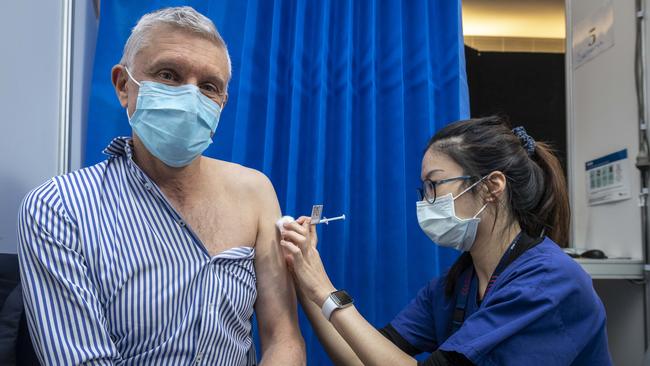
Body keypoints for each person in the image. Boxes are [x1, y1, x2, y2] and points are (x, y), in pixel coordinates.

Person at [17, 6, 305, 365]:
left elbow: (283, 339)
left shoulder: (255, 192)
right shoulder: (59, 208)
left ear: (221, 103)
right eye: (168, 75)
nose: (190, 98)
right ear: (124, 86)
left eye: (208, 87)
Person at [280, 116, 612, 365]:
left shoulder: (549, 283)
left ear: (492, 186)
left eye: (434, 185)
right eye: (423, 190)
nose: (425, 202)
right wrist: (306, 280)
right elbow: (361, 358)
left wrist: (324, 289)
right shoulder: (455, 286)